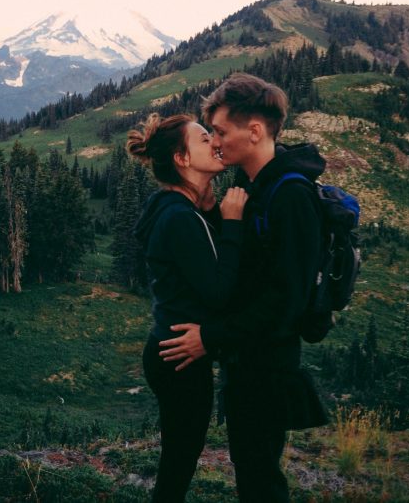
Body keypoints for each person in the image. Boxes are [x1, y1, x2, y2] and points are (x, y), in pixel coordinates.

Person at [159, 73, 328, 503]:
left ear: (254, 132)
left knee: (260, 479)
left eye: (220, 131)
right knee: (252, 472)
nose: (215, 142)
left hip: (267, 368)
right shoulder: (256, 189)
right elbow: (250, 275)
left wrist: (211, 338)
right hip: (247, 362)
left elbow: (285, 301)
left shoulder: (290, 197)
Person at [127, 112, 248, 503]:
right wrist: (231, 223)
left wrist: (212, 211)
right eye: (202, 138)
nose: (214, 141)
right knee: (179, 463)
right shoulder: (180, 217)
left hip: (169, 347)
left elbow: (198, 264)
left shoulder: (178, 209)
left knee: (179, 456)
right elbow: (216, 291)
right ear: (182, 159)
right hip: (181, 356)